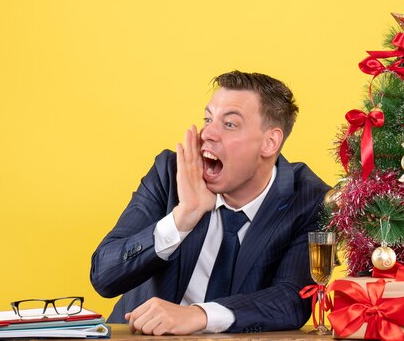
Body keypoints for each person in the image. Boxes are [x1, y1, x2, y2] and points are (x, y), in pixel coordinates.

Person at [90, 71, 329, 335]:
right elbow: (104, 276)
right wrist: (183, 217)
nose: (207, 133)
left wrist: (199, 315)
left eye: (229, 125)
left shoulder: (309, 199)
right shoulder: (170, 173)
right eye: (208, 119)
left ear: (269, 142)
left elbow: (292, 300)